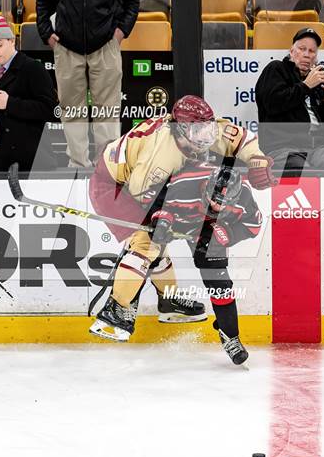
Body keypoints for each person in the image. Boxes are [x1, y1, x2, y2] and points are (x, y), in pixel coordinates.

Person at [88, 95, 277, 342]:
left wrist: (257, 160)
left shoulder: (202, 130)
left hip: (142, 184)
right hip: (113, 187)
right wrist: (165, 221)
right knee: (148, 243)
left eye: (208, 126)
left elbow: (243, 138)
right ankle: (116, 311)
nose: (207, 136)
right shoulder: (160, 155)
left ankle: (168, 301)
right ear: (180, 129)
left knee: (158, 246)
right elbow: (144, 199)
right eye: (199, 129)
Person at [36, 0, 140, 168]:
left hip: (105, 47)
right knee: (72, 109)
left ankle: (107, 166)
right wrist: (47, 34)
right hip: (67, 48)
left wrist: (120, 33)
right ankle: (78, 163)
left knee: (108, 111)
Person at [146, 162, 264, 366]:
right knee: (146, 252)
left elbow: (253, 225)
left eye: (223, 204)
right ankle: (123, 306)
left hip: (212, 229)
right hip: (181, 219)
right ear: (206, 187)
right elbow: (154, 202)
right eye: (214, 200)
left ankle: (230, 337)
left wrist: (227, 235)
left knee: (220, 283)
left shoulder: (244, 195)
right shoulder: (184, 184)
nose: (216, 207)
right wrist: (161, 221)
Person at [255, 27, 324, 172]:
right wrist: (306, 85)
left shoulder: (318, 81)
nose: (307, 55)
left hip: (317, 147)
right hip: (282, 147)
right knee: (303, 173)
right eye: (302, 49)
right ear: (291, 51)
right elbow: (272, 104)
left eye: (312, 51)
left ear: (316, 57)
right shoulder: (276, 69)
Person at [0, 12, 57, 172]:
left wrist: (10, 104)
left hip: (32, 165)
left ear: (12, 41)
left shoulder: (33, 68)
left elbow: (49, 110)